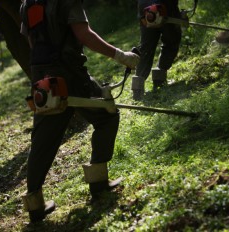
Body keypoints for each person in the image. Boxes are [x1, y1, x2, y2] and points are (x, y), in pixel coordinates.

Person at [19, 0, 139, 223]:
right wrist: (120, 55)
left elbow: (32, 43)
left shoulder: (27, 3)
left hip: (42, 81)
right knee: (107, 116)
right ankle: (98, 182)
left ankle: (34, 204)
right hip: (70, 75)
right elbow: (84, 34)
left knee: (42, 141)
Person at [131, 0, 182, 100]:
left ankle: (137, 88)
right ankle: (159, 78)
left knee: (146, 47)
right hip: (166, 4)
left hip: (144, 4)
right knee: (171, 41)